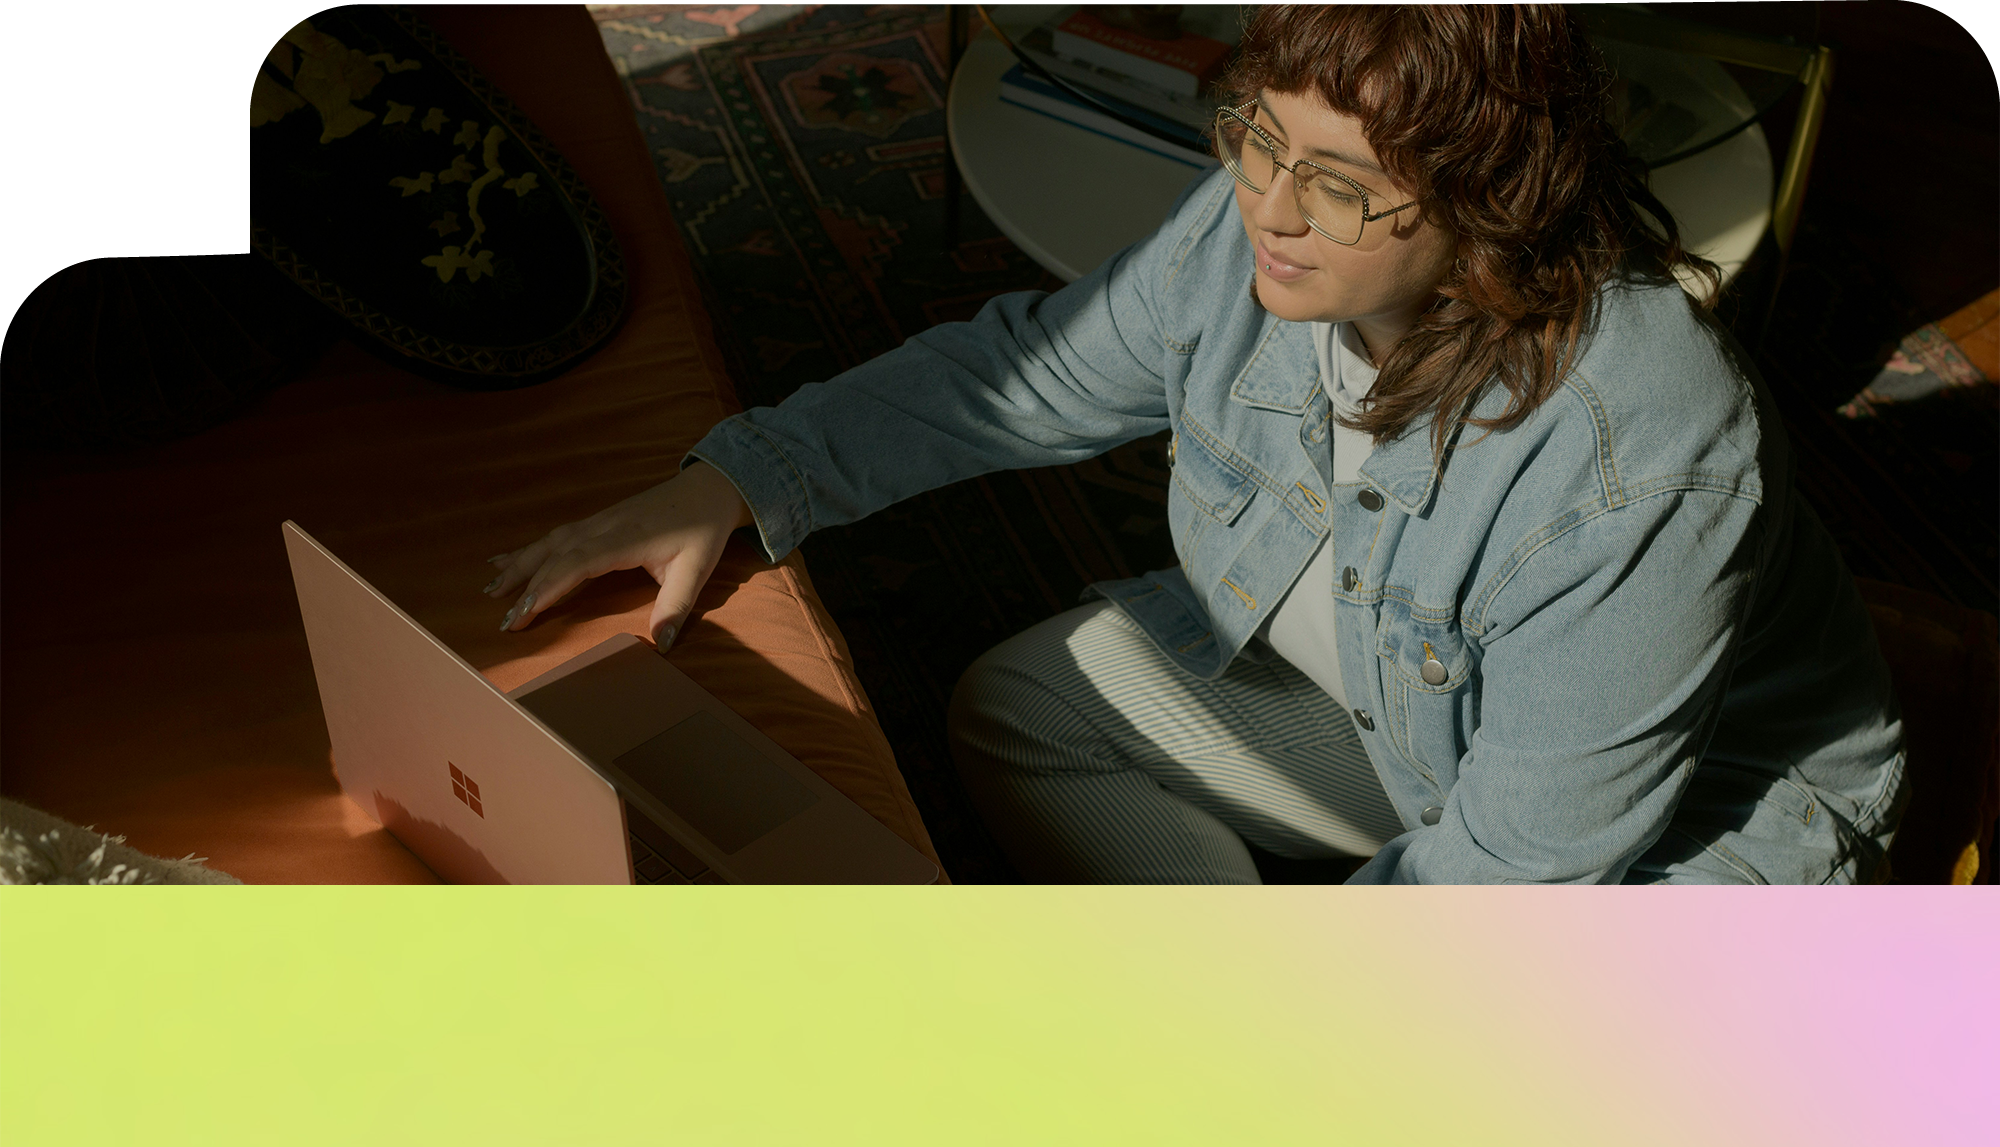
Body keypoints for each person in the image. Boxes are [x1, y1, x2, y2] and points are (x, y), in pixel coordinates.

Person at [483, 3, 1906, 884]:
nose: (1269, 209)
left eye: (1338, 185)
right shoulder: (1257, 236)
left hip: (1675, 846)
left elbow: (1521, 873)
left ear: (1493, 200)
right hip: (1412, 746)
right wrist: (741, 478)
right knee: (1020, 710)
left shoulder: (1640, 457)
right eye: (1257, 138)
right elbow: (1025, 377)